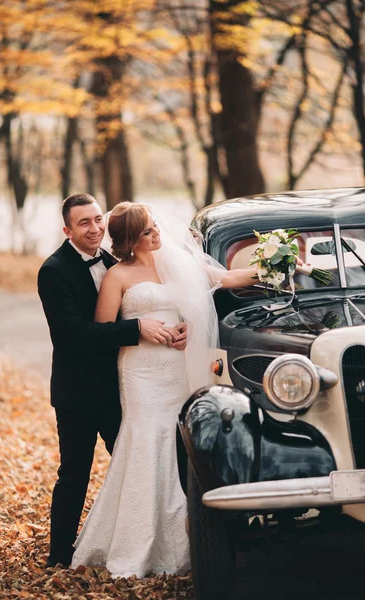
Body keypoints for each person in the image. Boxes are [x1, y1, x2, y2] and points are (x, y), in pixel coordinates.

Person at [71, 202, 258, 577]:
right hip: (141, 372)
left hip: (177, 367)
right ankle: (135, 541)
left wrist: (278, 264)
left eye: (155, 227)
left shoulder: (179, 266)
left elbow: (229, 279)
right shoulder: (117, 276)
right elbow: (103, 330)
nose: (158, 234)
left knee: (179, 442)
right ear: (129, 240)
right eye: (147, 232)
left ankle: (190, 538)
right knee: (146, 440)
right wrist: (142, 328)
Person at [37, 194, 187, 568]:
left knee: (136, 466)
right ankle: (59, 555)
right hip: (79, 390)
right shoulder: (53, 271)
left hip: (124, 387)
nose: (94, 228)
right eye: (84, 223)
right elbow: (74, 334)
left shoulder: (112, 261)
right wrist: (136, 328)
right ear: (67, 230)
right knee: (74, 473)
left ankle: (146, 538)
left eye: (97, 219)